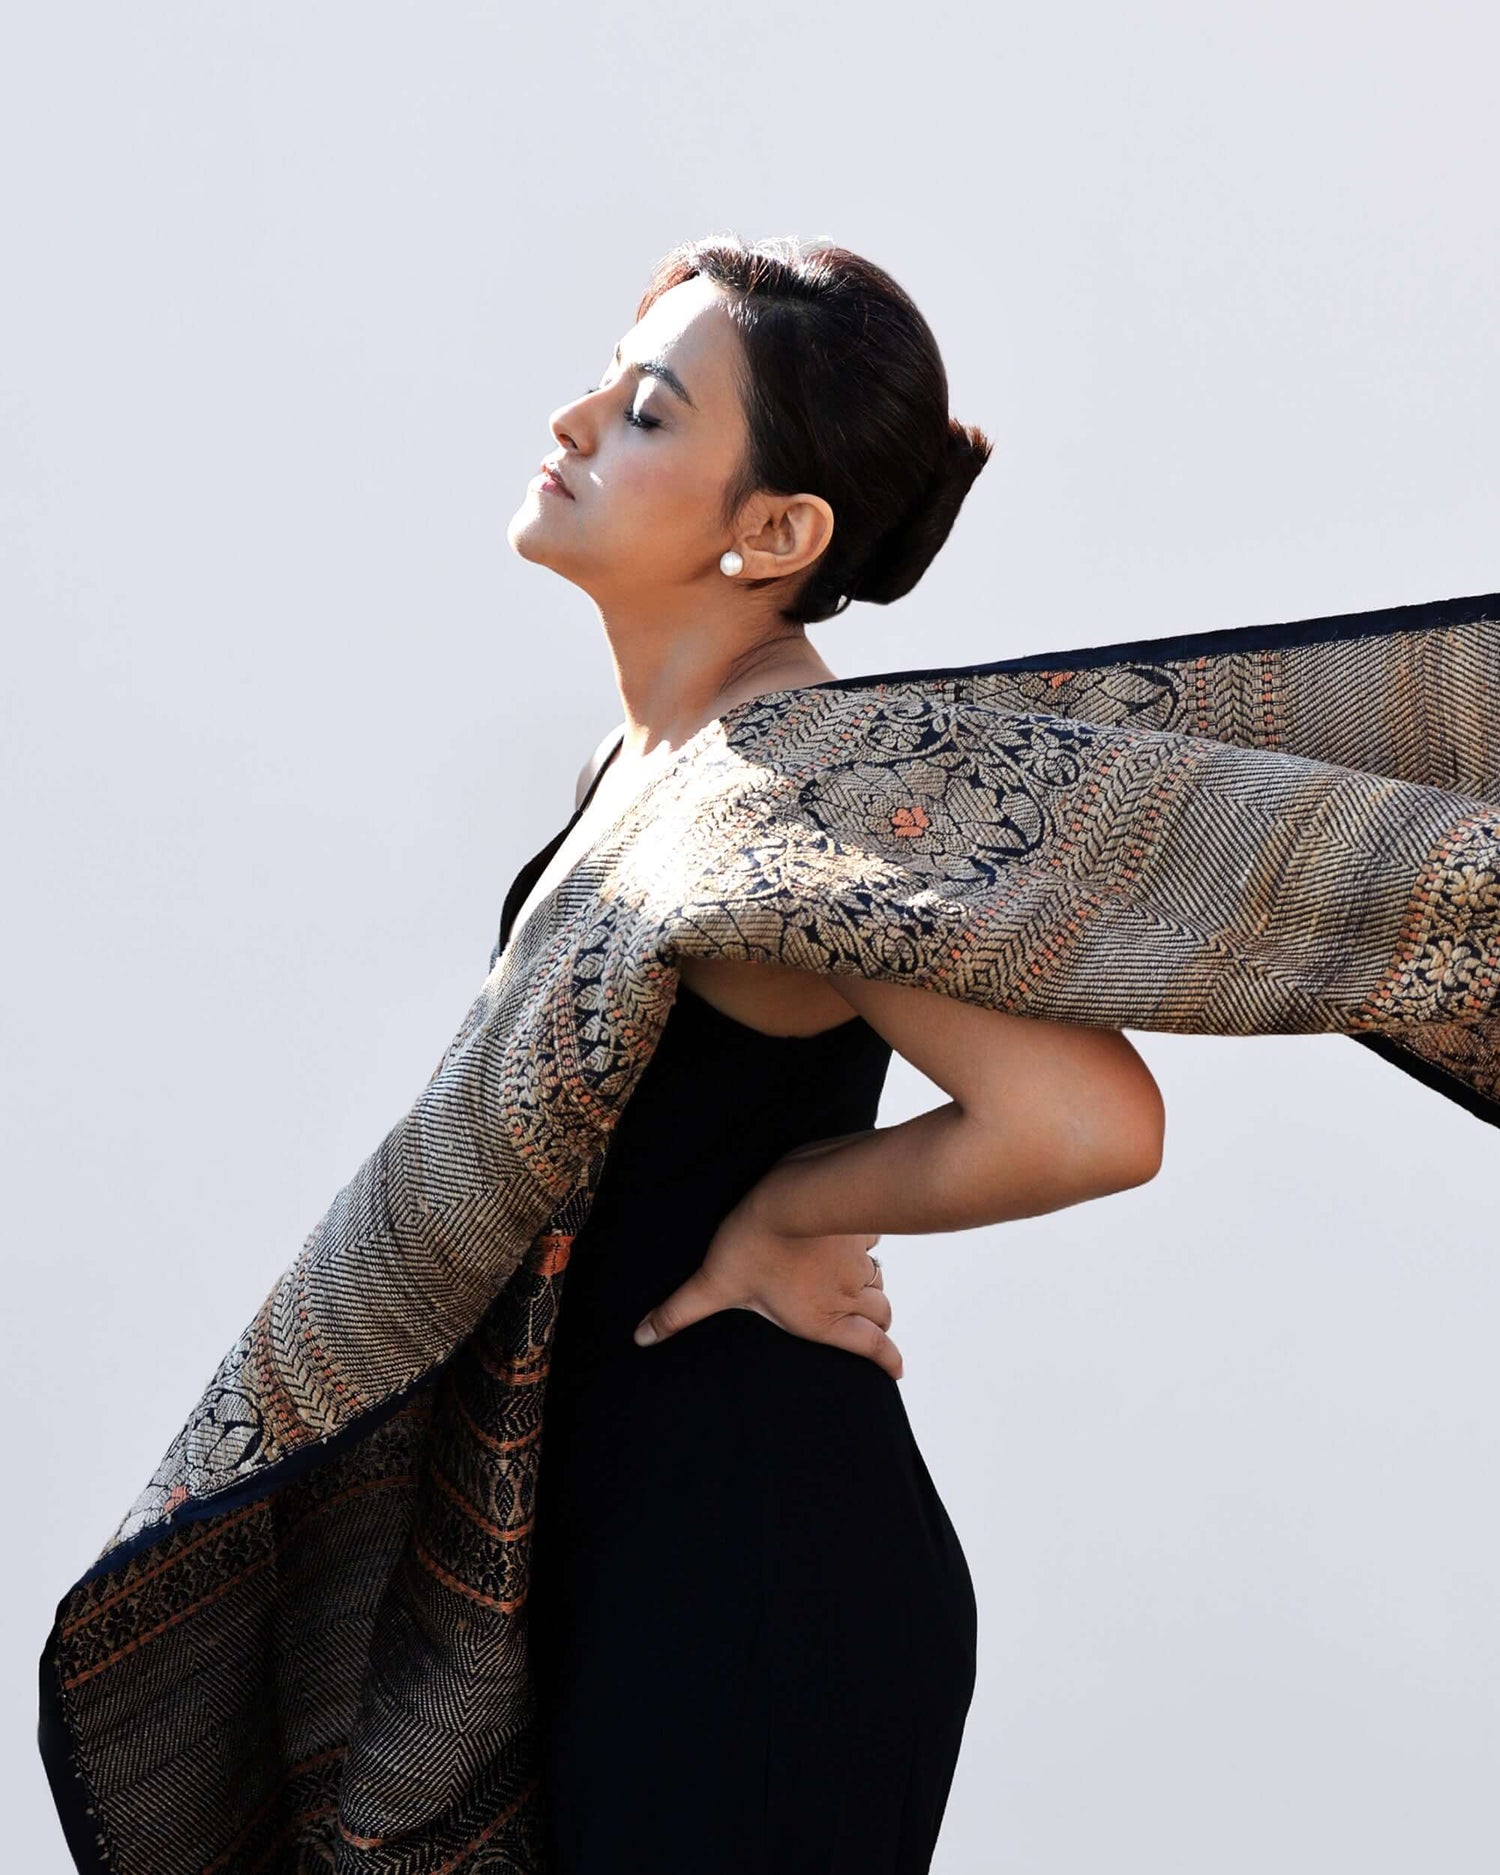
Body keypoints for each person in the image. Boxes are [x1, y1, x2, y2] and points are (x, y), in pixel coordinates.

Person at [502, 232, 1168, 1871]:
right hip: (639, 1543)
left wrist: (792, 1213)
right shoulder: (665, 758)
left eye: (648, 411)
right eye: (611, 372)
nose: (578, 419)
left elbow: (1090, 1115)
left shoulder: (804, 780)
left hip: (753, 1587)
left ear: (776, 534)